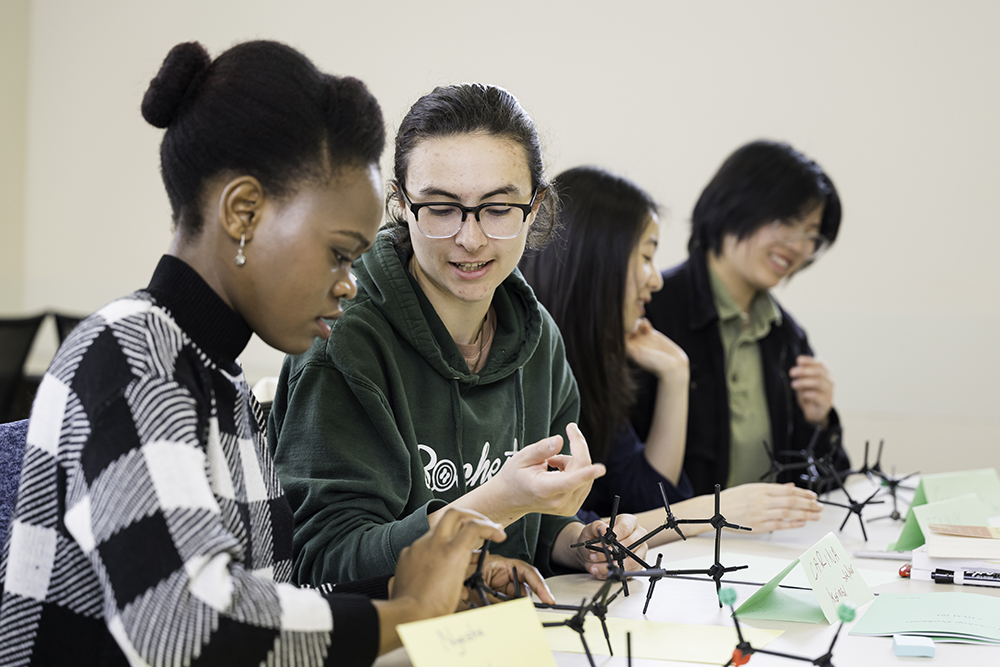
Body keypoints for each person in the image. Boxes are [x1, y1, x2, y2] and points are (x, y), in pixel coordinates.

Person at [0, 41, 551, 667]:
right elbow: (186, 628)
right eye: (340, 252)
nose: (349, 282)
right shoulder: (132, 356)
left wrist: (408, 589)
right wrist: (405, 616)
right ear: (243, 213)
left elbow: (265, 600)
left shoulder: (217, 379)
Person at [268, 84, 646, 587]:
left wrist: (577, 543)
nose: (470, 238)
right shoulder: (344, 338)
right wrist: (498, 501)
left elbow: (536, 524)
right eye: (442, 208)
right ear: (401, 205)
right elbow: (325, 562)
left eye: (498, 208)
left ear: (535, 208)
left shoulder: (536, 336)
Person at [522, 166, 824, 544]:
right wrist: (715, 511)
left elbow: (647, 497)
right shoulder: (532, 365)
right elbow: (567, 535)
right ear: (600, 260)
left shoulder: (595, 360)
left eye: (811, 235)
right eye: (646, 256)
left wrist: (676, 375)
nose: (656, 278)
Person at [631, 140, 849, 501]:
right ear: (735, 204)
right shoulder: (652, 311)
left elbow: (824, 489)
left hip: (764, 546)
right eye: (786, 222)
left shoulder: (787, 336)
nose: (798, 246)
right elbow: (624, 476)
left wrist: (821, 422)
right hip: (678, 545)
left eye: (812, 234)